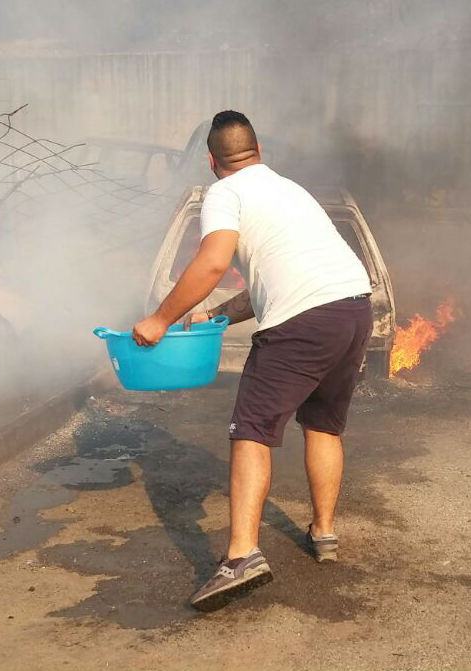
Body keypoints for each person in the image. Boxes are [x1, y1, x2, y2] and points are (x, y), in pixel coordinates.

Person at [132, 110, 372, 612]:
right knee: (323, 425)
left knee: (250, 432)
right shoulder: (289, 189)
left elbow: (213, 261)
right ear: (259, 151)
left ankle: (242, 556)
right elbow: (278, 276)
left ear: (211, 160)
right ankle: (324, 533)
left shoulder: (224, 192)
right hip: (352, 308)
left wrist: (159, 319)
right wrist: (218, 313)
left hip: (303, 321)